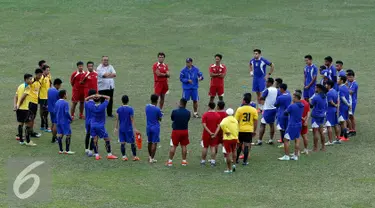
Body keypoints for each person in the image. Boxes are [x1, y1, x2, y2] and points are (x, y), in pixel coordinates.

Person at [87, 93, 118, 160]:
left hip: (92, 125)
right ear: (100, 100)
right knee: (107, 139)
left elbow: (86, 99)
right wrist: (100, 95)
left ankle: (97, 155)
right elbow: (108, 97)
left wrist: (92, 96)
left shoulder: (91, 105)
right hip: (100, 126)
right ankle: (109, 154)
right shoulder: (102, 106)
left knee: (95, 140)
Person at [17, 69, 44, 143]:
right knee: (29, 120)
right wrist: (18, 105)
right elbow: (27, 86)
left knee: (32, 119)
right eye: (39, 75)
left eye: (41, 75)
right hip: (31, 103)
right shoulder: (32, 82)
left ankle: (28, 133)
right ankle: (27, 137)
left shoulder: (39, 82)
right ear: (36, 74)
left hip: (35, 103)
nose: (40, 76)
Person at [278, 92, 304, 161]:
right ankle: (295, 156)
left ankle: (286, 156)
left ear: (296, 98)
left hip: (292, 125)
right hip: (299, 124)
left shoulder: (292, 106)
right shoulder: (302, 105)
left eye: (293, 97)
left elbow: (285, 113)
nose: (293, 98)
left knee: (285, 140)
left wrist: (291, 104)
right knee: (297, 139)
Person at [234, 94, 258, 165]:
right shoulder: (254, 110)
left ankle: (237, 160)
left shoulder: (239, 109)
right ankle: (245, 161)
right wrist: (254, 131)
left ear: (244, 101)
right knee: (247, 145)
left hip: (240, 130)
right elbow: (255, 121)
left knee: (239, 145)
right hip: (249, 130)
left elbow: (236, 120)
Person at [115, 95, 140, 161]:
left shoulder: (119, 109)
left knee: (122, 142)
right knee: (132, 142)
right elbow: (132, 119)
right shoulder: (130, 109)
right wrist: (134, 128)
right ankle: (134, 156)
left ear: (122, 101)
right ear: (128, 101)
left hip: (121, 129)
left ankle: (124, 156)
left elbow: (117, 119)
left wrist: (116, 127)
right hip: (128, 129)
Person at [166, 98, 191, 166]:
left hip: (176, 131)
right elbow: (188, 119)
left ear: (180, 103)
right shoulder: (188, 112)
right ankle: (184, 161)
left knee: (173, 146)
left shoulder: (175, 111)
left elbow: (172, 119)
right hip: (184, 131)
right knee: (184, 146)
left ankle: (170, 161)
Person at [256, 78, 277, 145]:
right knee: (271, 124)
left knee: (262, 124)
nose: (265, 83)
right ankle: (271, 139)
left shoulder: (267, 90)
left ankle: (259, 140)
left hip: (268, 109)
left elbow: (261, 98)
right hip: (274, 109)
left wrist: (262, 99)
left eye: (267, 82)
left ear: (270, 83)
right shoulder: (276, 89)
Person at [14, 74, 34, 145]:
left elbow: (16, 96)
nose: (31, 80)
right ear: (26, 79)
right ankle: (28, 141)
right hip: (24, 108)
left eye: (31, 79)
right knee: (28, 125)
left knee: (20, 124)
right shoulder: (27, 87)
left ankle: (21, 140)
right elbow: (23, 98)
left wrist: (16, 106)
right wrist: (19, 105)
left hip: (19, 108)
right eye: (30, 79)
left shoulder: (20, 86)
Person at [201, 102, 221, 166]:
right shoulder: (217, 115)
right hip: (214, 135)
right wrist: (215, 134)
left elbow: (204, 125)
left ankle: (203, 161)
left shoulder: (205, 115)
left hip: (206, 134)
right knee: (213, 147)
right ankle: (213, 161)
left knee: (205, 147)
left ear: (209, 106)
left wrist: (210, 133)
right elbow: (218, 126)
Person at [55, 90, 74, 154]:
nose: (67, 95)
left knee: (60, 134)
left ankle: (61, 150)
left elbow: (55, 111)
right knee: (68, 134)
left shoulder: (57, 102)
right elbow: (66, 112)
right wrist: (70, 118)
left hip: (58, 121)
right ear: (64, 95)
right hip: (64, 121)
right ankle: (67, 150)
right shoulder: (65, 103)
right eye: (66, 94)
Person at [220, 108, 239, 173]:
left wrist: (226, 131)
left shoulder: (225, 119)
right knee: (234, 151)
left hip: (227, 139)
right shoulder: (235, 120)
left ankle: (229, 169)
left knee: (228, 153)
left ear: (226, 113)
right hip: (235, 138)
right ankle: (234, 164)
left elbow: (221, 125)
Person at [145, 94, 163, 163]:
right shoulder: (157, 109)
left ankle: (149, 156)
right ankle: (152, 158)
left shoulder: (147, 107)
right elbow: (160, 119)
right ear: (157, 100)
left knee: (149, 142)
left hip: (148, 127)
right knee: (154, 143)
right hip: (155, 127)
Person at [310, 84, 328, 152]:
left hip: (315, 117)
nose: (315, 89)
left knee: (315, 133)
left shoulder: (316, 97)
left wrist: (309, 101)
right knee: (321, 132)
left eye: (316, 88)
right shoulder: (325, 96)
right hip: (322, 116)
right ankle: (323, 147)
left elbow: (311, 106)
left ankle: (315, 148)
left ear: (319, 89)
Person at [274, 84, 292, 148]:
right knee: (286, 128)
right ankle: (288, 140)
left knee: (282, 129)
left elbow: (275, 104)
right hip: (288, 114)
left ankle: (283, 142)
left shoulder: (280, 97)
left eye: (279, 88)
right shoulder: (289, 95)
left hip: (281, 114)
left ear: (282, 89)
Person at [324, 80, 341, 145]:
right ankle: (338, 139)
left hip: (330, 110)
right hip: (334, 110)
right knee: (336, 124)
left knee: (329, 126)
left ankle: (330, 141)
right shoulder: (335, 91)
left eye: (326, 84)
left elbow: (330, 101)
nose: (325, 85)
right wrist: (337, 106)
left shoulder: (329, 93)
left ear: (329, 85)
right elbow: (338, 100)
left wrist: (335, 105)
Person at [47, 78, 63, 143]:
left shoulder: (49, 90)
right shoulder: (57, 92)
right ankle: (55, 137)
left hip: (50, 109)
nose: (60, 87)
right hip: (56, 110)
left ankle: (53, 138)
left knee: (53, 123)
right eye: (59, 85)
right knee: (56, 124)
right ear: (57, 85)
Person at [296, 90, 311, 154]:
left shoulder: (297, 104)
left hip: (298, 122)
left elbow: (296, 113)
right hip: (304, 122)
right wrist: (306, 121)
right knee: (304, 136)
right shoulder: (306, 103)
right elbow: (308, 112)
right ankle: (306, 149)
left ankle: (298, 151)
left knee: (297, 137)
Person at [338, 76, 351, 142]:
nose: (337, 80)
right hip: (345, 106)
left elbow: (343, 98)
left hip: (342, 107)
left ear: (342, 81)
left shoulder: (341, 88)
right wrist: (348, 105)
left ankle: (345, 137)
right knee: (343, 121)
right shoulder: (345, 87)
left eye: (338, 79)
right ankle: (341, 135)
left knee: (342, 122)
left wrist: (348, 104)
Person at [84, 89, 97, 156]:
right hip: (92, 122)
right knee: (92, 136)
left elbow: (86, 99)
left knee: (87, 135)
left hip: (87, 121)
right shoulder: (94, 104)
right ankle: (90, 150)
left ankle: (86, 149)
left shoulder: (86, 103)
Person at [39, 65, 51, 132]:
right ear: (43, 70)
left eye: (49, 70)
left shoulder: (47, 77)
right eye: (47, 70)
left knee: (45, 112)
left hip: (47, 97)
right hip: (43, 97)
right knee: (45, 112)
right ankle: (45, 127)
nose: (48, 71)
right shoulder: (42, 78)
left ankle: (42, 126)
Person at [347, 71, 358, 136]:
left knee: (351, 116)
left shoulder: (355, 84)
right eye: (348, 77)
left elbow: (351, 92)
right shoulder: (348, 82)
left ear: (353, 77)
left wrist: (345, 88)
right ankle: (350, 129)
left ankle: (353, 130)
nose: (349, 78)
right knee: (349, 116)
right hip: (349, 101)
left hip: (352, 102)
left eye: (351, 77)